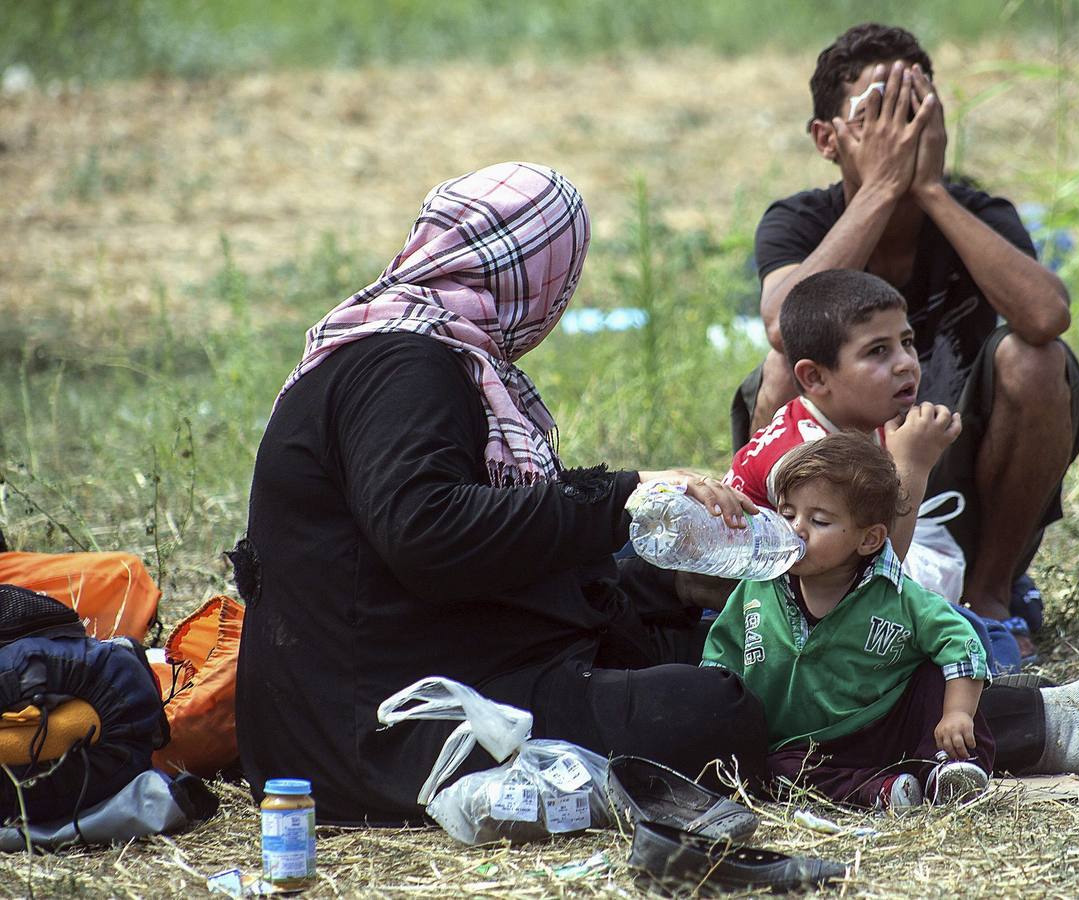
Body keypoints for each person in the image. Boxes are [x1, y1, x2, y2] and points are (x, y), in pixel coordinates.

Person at [233, 162, 768, 824]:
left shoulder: (420, 348)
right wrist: (617, 498)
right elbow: (426, 532)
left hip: (401, 668)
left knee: (682, 621)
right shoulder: (406, 367)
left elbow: (485, 522)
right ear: (541, 275)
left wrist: (652, 552)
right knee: (720, 710)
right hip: (377, 733)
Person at [733, 22, 1079, 652]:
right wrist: (879, 188)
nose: (903, 130)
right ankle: (786, 585)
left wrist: (927, 190)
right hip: (838, 479)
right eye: (879, 111)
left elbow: (1045, 316)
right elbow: (782, 326)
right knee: (780, 369)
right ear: (827, 138)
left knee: (1037, 360)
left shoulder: (977, 212)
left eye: (918, 109)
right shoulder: (801, 220)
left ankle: (991, 593)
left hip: (954, 461)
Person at [727, 268, 1022, 673]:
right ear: (815, 377)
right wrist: (913, 465)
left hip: (824, 582)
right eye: (878, 351)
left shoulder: (857, 417)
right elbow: (876, 574)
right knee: (968, 634)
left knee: (957, 624)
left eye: (907, 342)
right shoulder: (810, 459)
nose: (906, 364)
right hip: (771, 621)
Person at [705, 433, 994, 809]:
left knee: (932, 680)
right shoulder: (755, 590)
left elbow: (962, 645)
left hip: (888, 722)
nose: (796, 529)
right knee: (775, 772)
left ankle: (951, 772)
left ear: (870, 539)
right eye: (788, 513)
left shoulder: (899, 597)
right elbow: (719, 661)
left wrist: (957, 713)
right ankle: (883, 791)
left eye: (819, 520)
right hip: (807, 745)